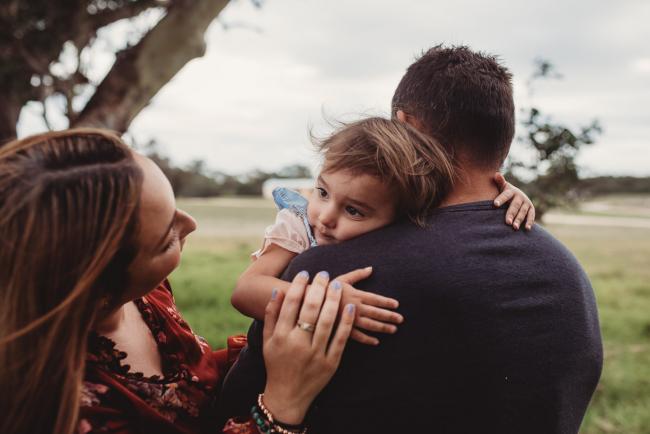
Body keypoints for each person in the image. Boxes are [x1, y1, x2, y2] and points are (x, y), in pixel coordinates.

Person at [220, 45, 603, 433]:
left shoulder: (329, 282)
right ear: (500, 139)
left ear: (406, 128)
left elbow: (234, 413)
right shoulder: (567, 274)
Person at [0, 129, 362, 434]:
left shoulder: (146, 295)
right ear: (97, 290)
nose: (190, 224)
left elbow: (190, 386)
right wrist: (284, 402)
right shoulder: (69, 410)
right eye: (167, 239)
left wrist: (275, 345)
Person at [232, 117, 535, 346]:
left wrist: (506, 192)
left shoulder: (402, 226)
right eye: (322, 192)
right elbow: (245, 292)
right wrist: (323, 301)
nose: (325, 217)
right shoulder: (298, 225)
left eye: (353, 210)